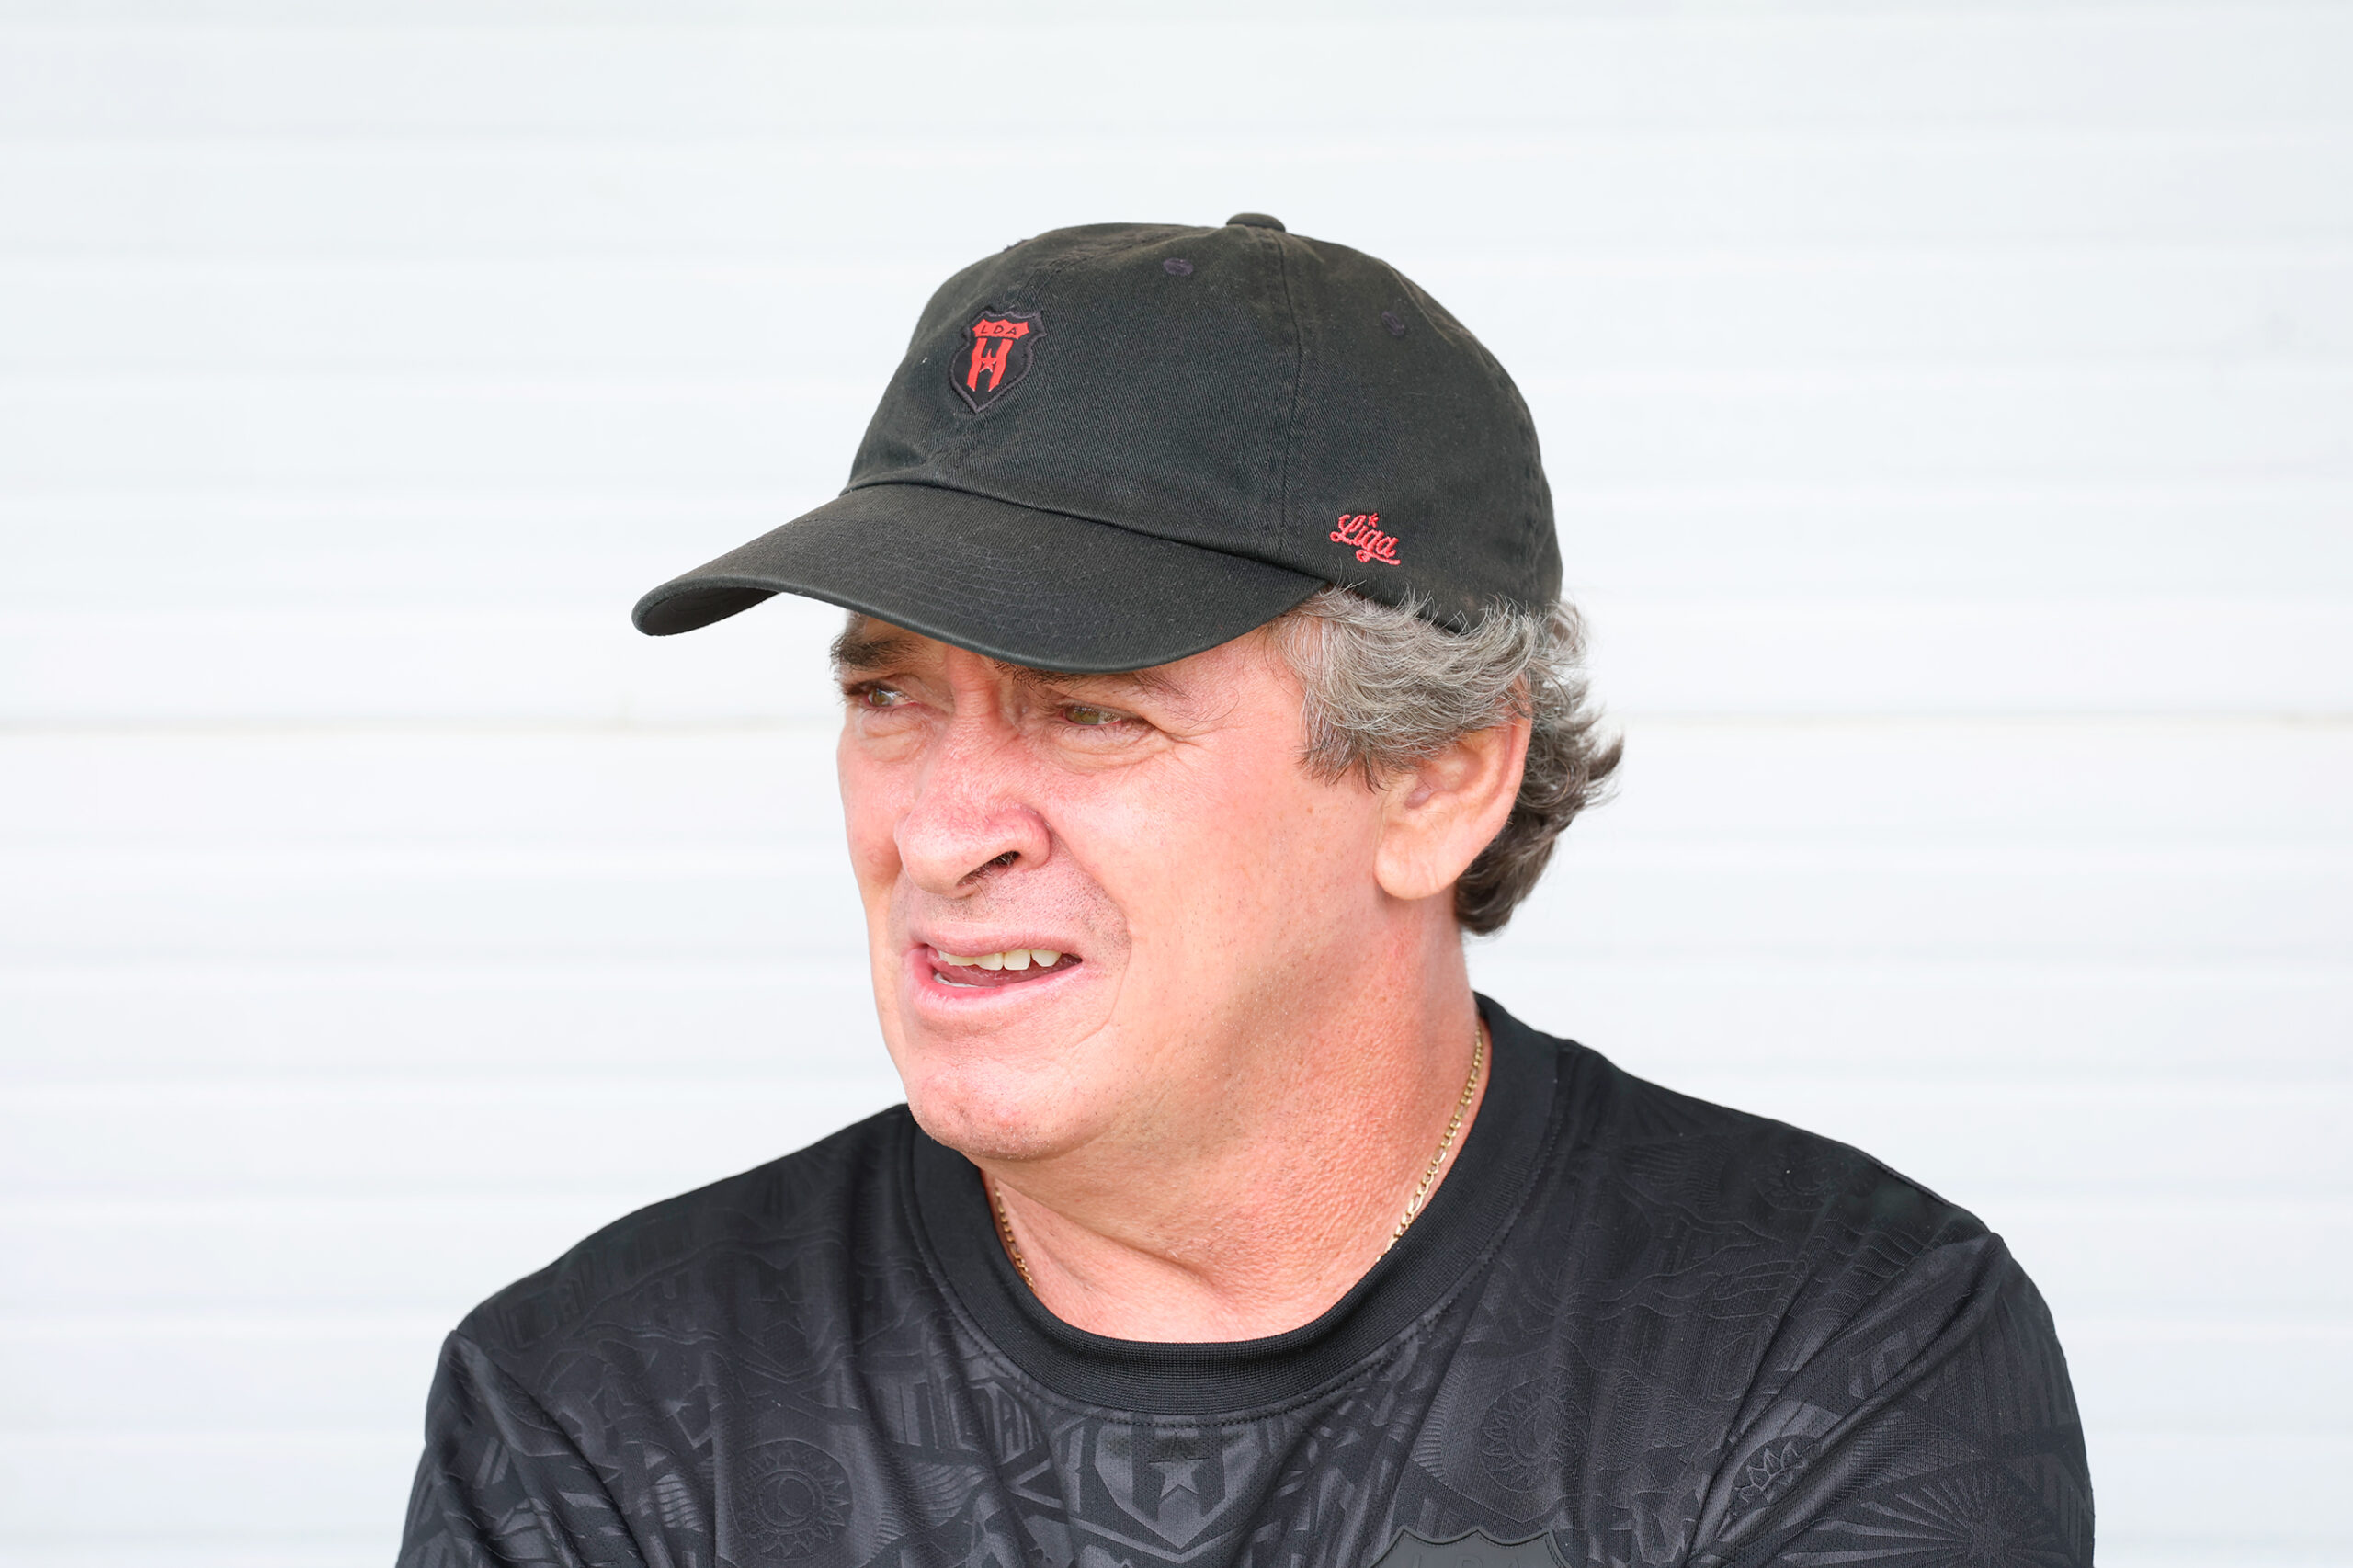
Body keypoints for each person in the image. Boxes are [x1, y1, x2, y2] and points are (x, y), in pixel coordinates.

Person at [396, 215, 2091, 1568]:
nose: (940, 829)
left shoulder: (1823, 1355)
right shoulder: (607, 1410)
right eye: (888, 695)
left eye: (1091, 711)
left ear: (1439, 777)